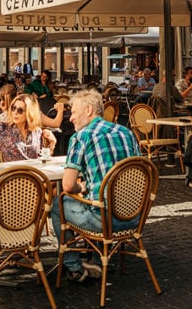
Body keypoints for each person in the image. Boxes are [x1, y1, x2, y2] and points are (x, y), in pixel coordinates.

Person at [50, 89, 140, 283]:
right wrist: (85, 188)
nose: (71, 118)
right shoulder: (126, 132)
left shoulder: (82, 137)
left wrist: (79, 188)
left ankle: (74, 267)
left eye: (73, 112)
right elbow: (138, 172)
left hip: (104, 221)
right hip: (134, 217)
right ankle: (98, 258)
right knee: (95, 196)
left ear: (88, 110)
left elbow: (67, 185)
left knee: (58, 203)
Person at [0, 93, 56, 161]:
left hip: (33, 178)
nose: (15, 112)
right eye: (13, 108)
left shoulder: (37, 132)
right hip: (12, 179)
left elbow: (43, 160)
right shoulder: (3, 129)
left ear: (29, 113)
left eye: (20, 110)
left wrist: (52, 143)